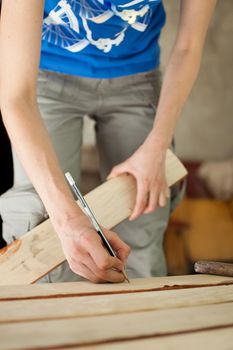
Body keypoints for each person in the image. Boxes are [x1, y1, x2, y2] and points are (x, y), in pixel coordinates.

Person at [0, 0, 216, 283]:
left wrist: (157, 145)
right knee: (45, 231)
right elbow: (16, 99)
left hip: (136, 78)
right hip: (46, 77)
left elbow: (188, 46)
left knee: (144, 214)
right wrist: (68, 220)